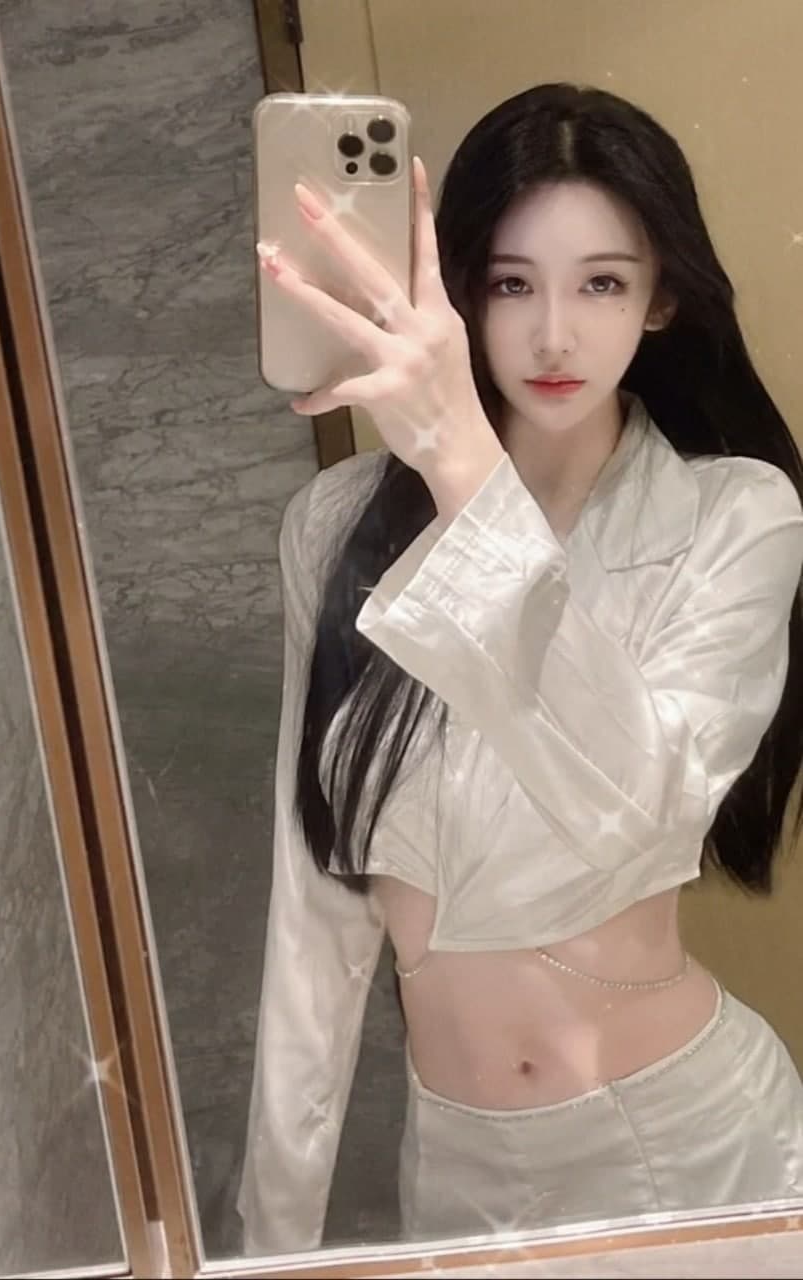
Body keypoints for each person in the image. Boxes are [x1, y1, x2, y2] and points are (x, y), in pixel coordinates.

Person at [236, 82, 803, 1256]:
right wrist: (274, 1230)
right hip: (455, 1172)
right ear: (460, 290)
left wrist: (464, 466)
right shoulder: (332, 528)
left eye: (601, 282)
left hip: (694, 1158)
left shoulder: (738, 517)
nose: (553, 335)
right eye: (510, 283)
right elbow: (318, 906)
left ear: (662, 297)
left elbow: (636, 816)